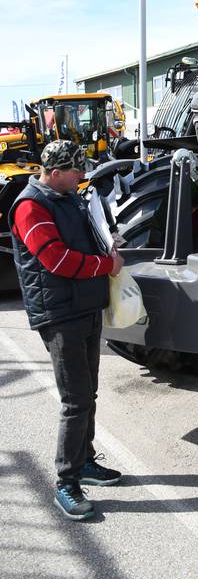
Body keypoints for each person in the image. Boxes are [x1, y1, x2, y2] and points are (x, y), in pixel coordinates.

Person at [10, 139, 125, 521]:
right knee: (75, 401)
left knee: (86, 393)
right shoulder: (30, 207)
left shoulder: (66, 197)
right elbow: (56, 260)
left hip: (84, 307)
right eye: (76, 171)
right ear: (55, 173)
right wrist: (104, 265)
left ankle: (85, 461)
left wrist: (110, 241)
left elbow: (84, 238)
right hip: (60, 315)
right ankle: (65, 482)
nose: (82, 176)